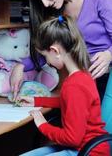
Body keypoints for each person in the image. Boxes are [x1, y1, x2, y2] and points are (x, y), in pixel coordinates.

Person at [16, 16, 110, 156]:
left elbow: (72, 138)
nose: (47, 62)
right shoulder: (83, 75)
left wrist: (43, 125)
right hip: (83, 147)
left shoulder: (74, 85)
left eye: (45, 56)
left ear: (55, 51)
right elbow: (70, 103)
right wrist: (36, 101)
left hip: (88, 152)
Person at [22, 0, 112, 102]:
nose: (45, 3)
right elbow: (49, 50)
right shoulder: (55, 11)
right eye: (40, 0)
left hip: (107, 75)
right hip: (84, 79)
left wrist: (109, 54)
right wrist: (20, 66)